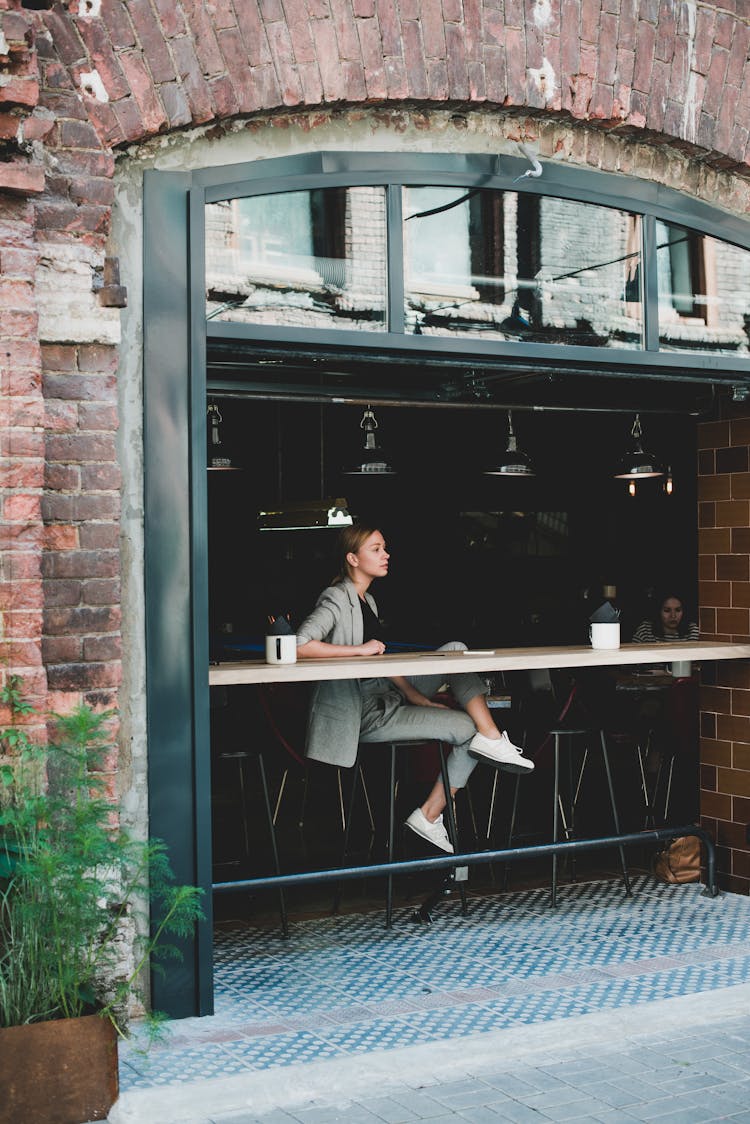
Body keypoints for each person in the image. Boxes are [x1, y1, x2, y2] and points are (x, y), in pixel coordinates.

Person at [296, 524, 534, 854]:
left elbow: (380, 662)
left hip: (386, 695)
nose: (386, 554)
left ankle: (491, 737)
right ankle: (430, 815)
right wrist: (359, 650)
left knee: (455, 649)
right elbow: (299, 645)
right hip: (362, 712)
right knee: (468, 731)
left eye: (384, 547)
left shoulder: (369, 601)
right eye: (376, 549)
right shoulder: (336, 597)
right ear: (352, 558)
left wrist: (415, 695)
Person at [632, 592, 699, 643]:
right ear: (658, 611)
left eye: (678, 610)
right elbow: (632, 657)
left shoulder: (692, 630)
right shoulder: (646, 630)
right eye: (667, 610)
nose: (673, 616)